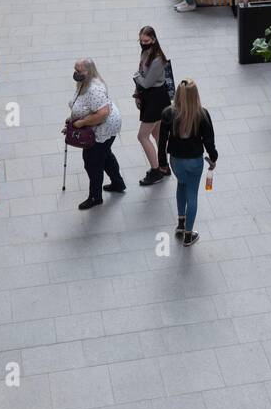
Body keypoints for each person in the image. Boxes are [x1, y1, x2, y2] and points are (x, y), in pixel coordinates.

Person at [158, 79, 217, 246]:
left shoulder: (168, 113)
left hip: (176, 161)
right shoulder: (202, 114)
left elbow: (162, 141)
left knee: (181, 184)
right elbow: (209, 141)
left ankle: (181, 223)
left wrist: (162, 162)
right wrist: (213, 158)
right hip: (194, 161)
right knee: (192, 195)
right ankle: (189, 235)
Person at [69, 58, 125, 210]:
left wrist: (81, 123)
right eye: (75, 69)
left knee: (92, 162)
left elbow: (103, 114)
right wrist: (72, 121)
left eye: (79, 71)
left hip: (105, 128)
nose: (76, 73)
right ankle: (118, 183)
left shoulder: (94, 89)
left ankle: (95, 197)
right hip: (102, 126)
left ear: (89, 71)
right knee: (104, 155)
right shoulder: (84, 83)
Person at [134, 27, 171, 187]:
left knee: (142, 136)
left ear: (154, 40)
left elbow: (146, 81)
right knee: (157, 134)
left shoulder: (157, 59)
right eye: (141, 41)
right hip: (150, 97)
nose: (143, 44)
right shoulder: (146, 53)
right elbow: (141, 72)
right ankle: (163, 165)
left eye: (146, 41)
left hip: (157, 99)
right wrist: (137, 92)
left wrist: (136, 79)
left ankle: (156, 170)